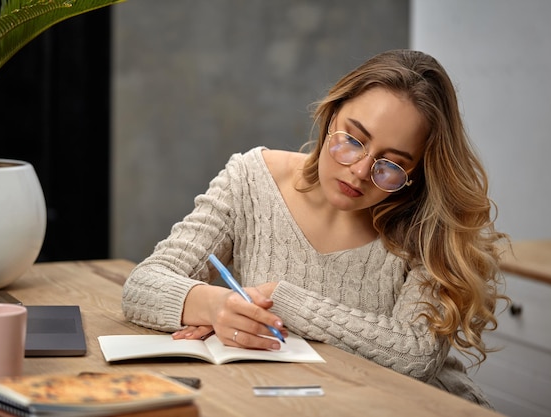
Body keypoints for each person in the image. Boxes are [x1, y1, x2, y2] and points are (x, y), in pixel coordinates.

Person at [122, 49, 509, 408]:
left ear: (416, 172)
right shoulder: (251, 180)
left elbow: (415, 356)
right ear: (330, 116)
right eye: (353, 139)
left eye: (390, 165)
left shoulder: (424, 225)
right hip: (291, 402)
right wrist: (219, 307)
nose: (360, 171)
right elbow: (143, 285)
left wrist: (280, 301)